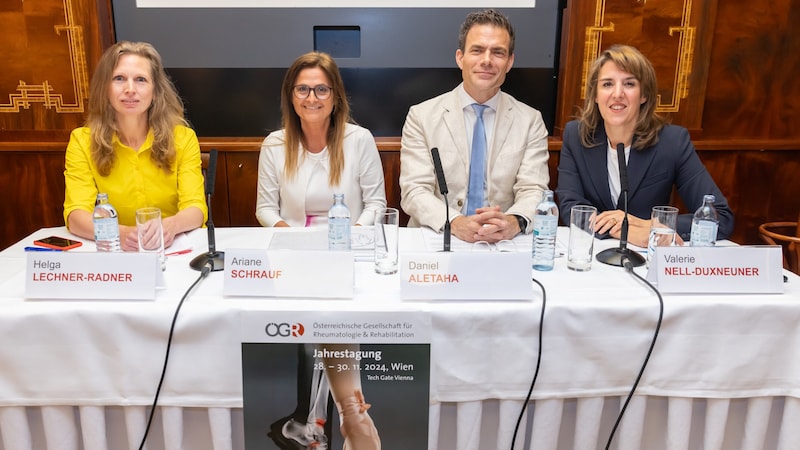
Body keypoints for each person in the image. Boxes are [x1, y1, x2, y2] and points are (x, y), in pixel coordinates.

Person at [556, 44, 734, 247]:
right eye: (607, 84)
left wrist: (650, 226)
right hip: (595, 256)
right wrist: (623, 231)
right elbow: (572, 207)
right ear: (595, 95)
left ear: (644, 95)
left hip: (648, 257)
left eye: (629, 84)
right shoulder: (576, 136)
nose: (617, 93)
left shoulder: (672, 142)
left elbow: (720, 217)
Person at [399, 9, 550, 244]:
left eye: (498, 52)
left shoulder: (530, 121)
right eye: (477, 50)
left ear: (509, 62)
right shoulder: (422, 116)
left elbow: (534, 190)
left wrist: (513, 222)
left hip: (503, 242)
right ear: (460, 58)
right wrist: (457, 223)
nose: (487, 60)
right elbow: (414, 191)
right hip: (438, 236)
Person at [63, 41, 207, 251]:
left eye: (140, 80)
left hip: (171, 249)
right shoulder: (82, 141)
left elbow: (196, 208)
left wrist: (169, 227)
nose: (130, 89)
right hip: (114, 251)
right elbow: (76, 215)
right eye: (119, 79)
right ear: (105, 88)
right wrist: (121, 234)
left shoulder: (183, 139)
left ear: (156, 91)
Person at [256, 52, 386, 228]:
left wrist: (352, 237)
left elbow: (376, 205)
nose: (311, 98)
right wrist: (291, 238)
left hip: (349, 244)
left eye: (322, 90)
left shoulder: (360, 139)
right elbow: (265, 209)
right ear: (291, 96)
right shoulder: (273, 144)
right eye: (302, 89)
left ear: (336, 96)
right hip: (293, 245)